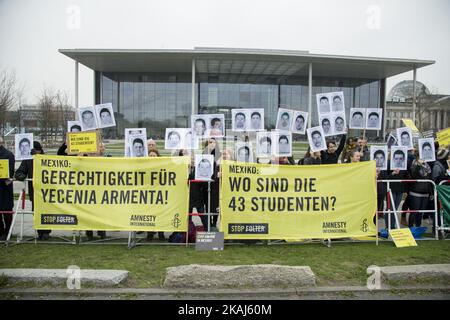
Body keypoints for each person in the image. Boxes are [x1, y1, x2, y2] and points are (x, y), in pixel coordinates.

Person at [14, 141, 51, 240]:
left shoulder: (47, 159)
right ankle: (40, 232)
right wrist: (22, 177)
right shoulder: (28, 160)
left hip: (47, 192)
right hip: (34, 191)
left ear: (40, 150)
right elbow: (19, 172)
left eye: (36, 150)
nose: (35, 152)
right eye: (34, 151)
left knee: (47, 211)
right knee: (36, 211)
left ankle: (46, 231)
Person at [145, 148, 165, 241]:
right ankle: (150, 233)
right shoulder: (145, 167)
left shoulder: (162, 166)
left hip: (159, 195)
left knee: (160, 215)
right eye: (150, 155)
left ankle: (161, 233)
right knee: (149, 214)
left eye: (154, 155)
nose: (152, 157)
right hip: (148, 195)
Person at [408, 152, 432, 227]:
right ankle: (410, 227)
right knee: (414, 211)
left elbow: (429, 177)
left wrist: (431, 192)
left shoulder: (427, 164)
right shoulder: (414, 164)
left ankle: (418, 227)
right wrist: (418, 165)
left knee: (420, 212)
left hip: (425, 191)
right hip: (416, 191)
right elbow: (414, 174)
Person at [0, 137, 15, 241]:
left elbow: (10, 172)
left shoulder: (8, 154)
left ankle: (7, 231)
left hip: (4, 188)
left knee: (6, 211)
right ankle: (0, 231)